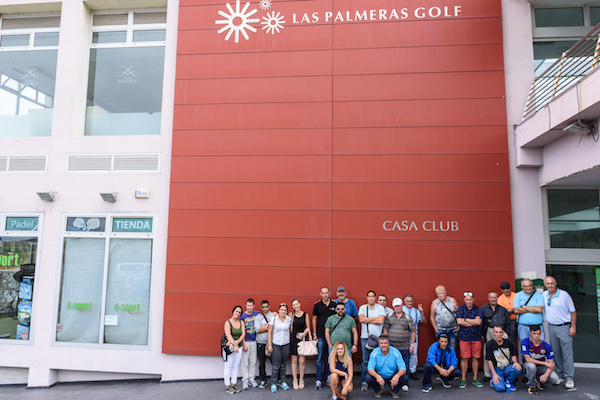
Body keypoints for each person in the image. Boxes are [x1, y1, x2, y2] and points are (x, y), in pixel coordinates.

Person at [542, 276, 576, 390]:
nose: (550, 285)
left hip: (564, 327)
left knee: (567, 354)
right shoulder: (544, 295)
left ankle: (569, 378)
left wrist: (573, 327)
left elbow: (573, 311)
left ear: (555, 283)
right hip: (552, 327)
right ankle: (560, 376)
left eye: (552, 283)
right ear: (545, 285)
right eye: (548, 284)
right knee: (556, 353)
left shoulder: (564, 295)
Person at [383, 297, 414, 391]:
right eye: (395, 306)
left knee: (405, 365)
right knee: (392, 365)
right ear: (393, 306)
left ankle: (404, 383)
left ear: (402, 305)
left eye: (399, 306)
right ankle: (392, 382)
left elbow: (413, 331)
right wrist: (386, 343)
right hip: (392, 346)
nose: (397, 307)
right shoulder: (389, 316)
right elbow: (385, 329)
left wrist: (412, 345)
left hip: (404, 346)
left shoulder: (408, 317)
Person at [358, 290, 387, 392]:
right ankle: (364, 382)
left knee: (378, 361)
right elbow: (361, 320)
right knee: (365, 361)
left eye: (373, 296)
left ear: (375, 298)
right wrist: (374, 318)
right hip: (365, 338)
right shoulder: (363, 307)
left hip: (378, 339)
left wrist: (368, 319)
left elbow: (381, 321)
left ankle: (378, 381)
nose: (371, 298)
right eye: (369, 296)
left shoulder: (380, 308)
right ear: (366, 298)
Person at [480, 291, 511, 380]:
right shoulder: (483, 309)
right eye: (491, 297)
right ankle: (487, 374)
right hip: (489, 331)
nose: (493, 299)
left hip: (501, 331)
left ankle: (505, 372)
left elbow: (508, 322)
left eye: (495, 297)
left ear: (497, 298)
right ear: (488, 298)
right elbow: (481, 323)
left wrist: (506, 333)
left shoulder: (503, 309)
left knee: (504, 352)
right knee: (487, 352)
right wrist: (482, 334)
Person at [521, 325, 560, 394]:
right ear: (530, 333)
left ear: (541, 333)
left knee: (555, 379)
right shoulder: (525, 342)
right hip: (528, 366)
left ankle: (539, 380)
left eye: (538, 334)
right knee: (531, 366)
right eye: (534, 333)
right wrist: (545, 363)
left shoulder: (546, 345)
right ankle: (532, 386)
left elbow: (551, 364)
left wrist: (546, 375)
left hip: (541, 367)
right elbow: (528, 359)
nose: (536, 336)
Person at [456, 292, 483, 388]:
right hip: (464, 337)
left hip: (476, 337)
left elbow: (478, 322)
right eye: (467, 300)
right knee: (464, 358)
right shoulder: (460, 309)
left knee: (476, 358)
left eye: (470, 299)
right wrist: (473, 321)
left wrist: (465, 319)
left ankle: (475, 378)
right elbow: (459, 321)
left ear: (473, 299)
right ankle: (463, 379)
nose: (469, 301)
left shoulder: (478, 309)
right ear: (464, 300)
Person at [313, 286, 337, 389]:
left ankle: (328, 377)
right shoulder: (317, 305)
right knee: (319, 358)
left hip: (332, 336)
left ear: (329, 293)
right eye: (323, 293)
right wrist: (314, 334)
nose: (325, 295)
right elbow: (314, 319)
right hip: (320, 335)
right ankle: (319, 379)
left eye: (326, 293)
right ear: (320, 294)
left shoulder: (334, 305)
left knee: (330, 358)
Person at [486, 325, 522, 392]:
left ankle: (509, 382)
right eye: (496, 332)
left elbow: (513, 354)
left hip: (507, 367)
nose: (498, 334)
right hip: (497, 369)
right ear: (493, 333)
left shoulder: (508, 342)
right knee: (501, 389)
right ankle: (494, 380)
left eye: (500, 332)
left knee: (518, 368)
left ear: (503, 333)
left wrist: (516, 362)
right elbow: (489, 361)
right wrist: (494, 374)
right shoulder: (489, 344)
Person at [267, 303, 292, 392]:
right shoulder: (274, 319)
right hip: (276, 344)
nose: (283, 311)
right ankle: (273, 383)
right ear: (278, 311)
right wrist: (269, 345)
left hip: (285, 344)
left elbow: (291, 330)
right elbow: (269, 333)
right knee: (276, 365)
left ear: (286, 311)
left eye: (285, 310)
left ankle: (283, 381)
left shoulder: (289, 319)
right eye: (281, 310)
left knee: (283, 365)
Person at [223, 305, 246, 394]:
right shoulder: (227, 322)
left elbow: (243, 334)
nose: (237, 313)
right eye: (236, 311)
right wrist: (234, 344)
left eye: (239, 312)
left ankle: (233, 383)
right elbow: (228, 335)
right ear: (233, 312)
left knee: (235, 366)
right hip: (230, 348)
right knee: (228, 366)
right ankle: (227, 385)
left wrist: (238, 342)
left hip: (239, 347)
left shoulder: (241, 322)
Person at [514, 279, 545, 343]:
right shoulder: (518, 295)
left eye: (529, 286)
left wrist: (524, 307)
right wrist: (533, 309)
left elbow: (539, 309)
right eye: (525, 286)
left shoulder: (539, 295)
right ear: (522, 287)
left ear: (532, 286)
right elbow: (516, 310)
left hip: (538, 327)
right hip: (523, 327)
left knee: (540, 346)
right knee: (525, 346)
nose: (528, 288)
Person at [403, 294, 425, 381]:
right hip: (402, 336)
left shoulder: (416, 311)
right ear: (404, 301)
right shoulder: (401, 310)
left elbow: (423, 321)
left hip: (414, 336)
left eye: (411, 301)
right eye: (407, 301)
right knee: (402, 353)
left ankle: (412, 371)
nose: (409, 303)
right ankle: (402, 371)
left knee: (413, 354)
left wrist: (422, 312)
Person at [290, 298, 310, 390]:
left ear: (300, 304)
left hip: (302, 339)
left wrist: (304, 333)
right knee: (294, 360)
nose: (295, 306)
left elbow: (308, 328)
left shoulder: (305, 315)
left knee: (302, 361)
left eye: (296, 304)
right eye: (294, 305)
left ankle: (301, 379)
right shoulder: (291, 315)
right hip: (294, 339)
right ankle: (295, 380)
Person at [430, 285, 459, 349]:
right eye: (439, 294)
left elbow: (459, 314)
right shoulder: (435, 302)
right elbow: (432, 317)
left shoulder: (452, 300)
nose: (440, 295)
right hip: (440, 329)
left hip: (453, 329)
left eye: (441, 293)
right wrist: (436, 329)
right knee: (441, 349)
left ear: (445, 293)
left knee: (452, 348)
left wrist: (459, 327)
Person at [239, 298, 260, 389]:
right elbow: (241, 331)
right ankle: (245, 380)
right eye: (248, 305)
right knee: (244, 362)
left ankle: (252, 379)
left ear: (253, 306)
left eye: (251, 305)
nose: (249, 307)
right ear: (245, 305)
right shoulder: (242, 316)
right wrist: (243, 344)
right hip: (246, 341)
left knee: (253, 361)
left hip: (254, 341)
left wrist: (274, 313)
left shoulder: (257, 314)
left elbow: (266, 314)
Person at [254, 300, 274, 388]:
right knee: (262, 363)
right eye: (263, 307)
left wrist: (263, 327)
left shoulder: (273, 316)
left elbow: (274, 328)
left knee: (275, 363)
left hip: (271, 343)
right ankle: (263, 380)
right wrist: (269, 327)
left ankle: (276, 380)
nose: (265, 308)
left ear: (269, 307)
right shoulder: (258, 317)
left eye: (266, 306)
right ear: (261, 307)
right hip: (260, 343)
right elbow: (257, 329)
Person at [498, 281, 518, 346]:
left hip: (520, 321)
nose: (506, 290)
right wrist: (513, 309)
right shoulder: (500, 299)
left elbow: (520, 308)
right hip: (510, 322)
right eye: (503, 289)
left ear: (510, 288)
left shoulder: (516, 296)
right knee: (511, 341)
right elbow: (503, 312)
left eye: (507, 288)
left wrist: (510, 310)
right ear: (501, 290)